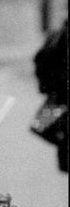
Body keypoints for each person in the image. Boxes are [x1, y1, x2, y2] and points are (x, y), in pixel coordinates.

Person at [30, 17, 68, 174]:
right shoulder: (61, 35)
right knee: (40, 125)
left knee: (40, 126)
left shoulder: (58, 33)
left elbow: (39, 59)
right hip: (60, 99)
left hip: (58, 98)